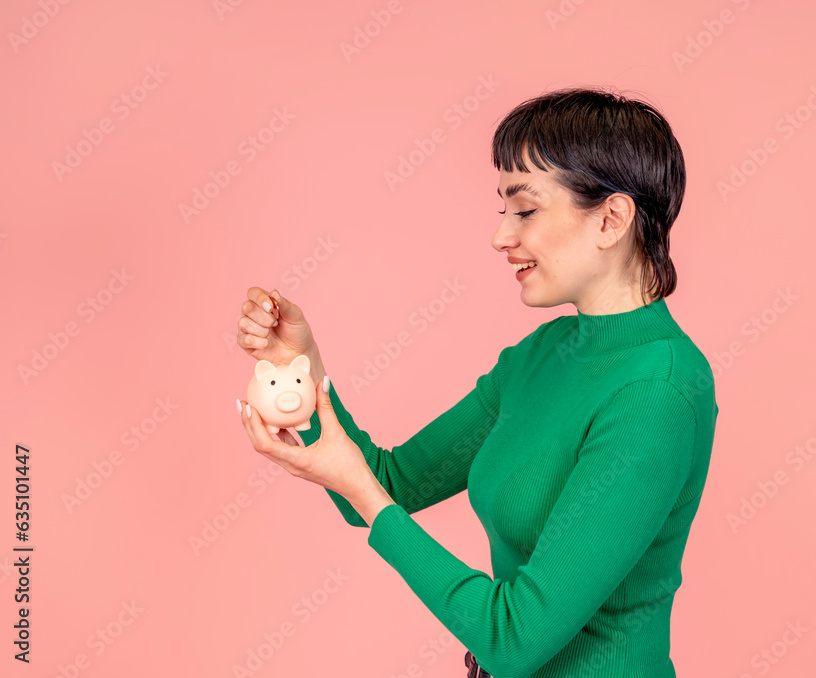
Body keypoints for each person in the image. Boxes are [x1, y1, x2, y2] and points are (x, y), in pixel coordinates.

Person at [236, 86, 719, 678]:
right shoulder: (540, 356)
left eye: (527, 210)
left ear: (612, 218)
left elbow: (514, 639)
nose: (501, 237)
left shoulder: (659, 390)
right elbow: (395, 482)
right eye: (503, 210)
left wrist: (364, 493)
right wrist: (298, 368)